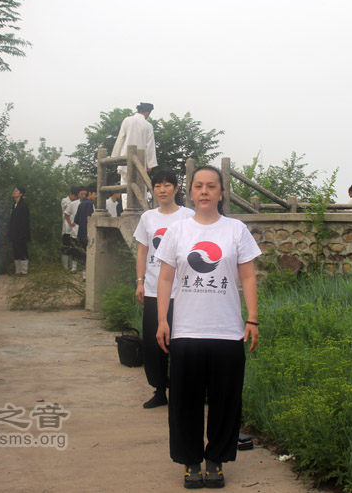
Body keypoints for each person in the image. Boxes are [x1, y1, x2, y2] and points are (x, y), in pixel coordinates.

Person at [155, 165, 261, 489]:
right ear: (190, 192)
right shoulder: (178, 231)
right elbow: (165, 278)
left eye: (211, 186)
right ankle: (190, 461)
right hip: (186, 331)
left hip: (227, 331)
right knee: (184, 402)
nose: (204, 191)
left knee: (225, 401)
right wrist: (162, 320)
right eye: (198, 185)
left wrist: (252, 318)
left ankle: (216, 459)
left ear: (221, 193)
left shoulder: (236, 230)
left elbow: (248, 276)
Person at [133, 169, 194, 409]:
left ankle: (181, 390)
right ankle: (159, 390)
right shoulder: (148, 218)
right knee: (153, 342)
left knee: (181, 342)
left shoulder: (188, 216)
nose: (162, 189)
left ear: (176, 189)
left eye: (167, 185)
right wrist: (139, 281)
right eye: (158, 185)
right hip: (152, 290)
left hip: (182, 292)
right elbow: (142, 251)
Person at [111, 102, 157, 208]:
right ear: (147, 112)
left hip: (125, 159)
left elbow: (120, 139)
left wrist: (115, 158)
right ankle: (141, 210)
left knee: (125, 185)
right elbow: (150, 146)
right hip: (140, 161)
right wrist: (150, 163)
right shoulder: (148, 125)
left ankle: (126, 210)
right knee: (141, 187)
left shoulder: (127, 120)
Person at [8, 186, 31, 275]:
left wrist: (23, 233)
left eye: (16, 191)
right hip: (14, 233)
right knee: (16, 251)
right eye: (14, 190)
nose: (14, 192)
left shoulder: (24, 205)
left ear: (21, 194)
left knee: (23, 250)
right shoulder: (14, 205)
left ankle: (24, 270)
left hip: (22, 233)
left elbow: (25, 221)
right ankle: (18, 270)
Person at [74, 186, 94, 280]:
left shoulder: (81, 204)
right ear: (90, 193)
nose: (95, 196)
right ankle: (87, 274)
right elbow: (90, 220)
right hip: (87, 232)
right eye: (94, 194)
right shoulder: (89, 204)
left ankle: (84, 274)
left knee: (83, 254)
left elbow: (76, 220)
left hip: (81, 232)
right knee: (88, 255)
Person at [61, 188, 77, 270]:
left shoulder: (75, 202)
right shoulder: (65, 200)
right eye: (75, 196)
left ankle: (71, 265)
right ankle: (65, 266)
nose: (75, 198)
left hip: (74, 228)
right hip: (67, 228)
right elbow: (67, 207)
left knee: (72, 247)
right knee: (66, 247)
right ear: (71, 195)